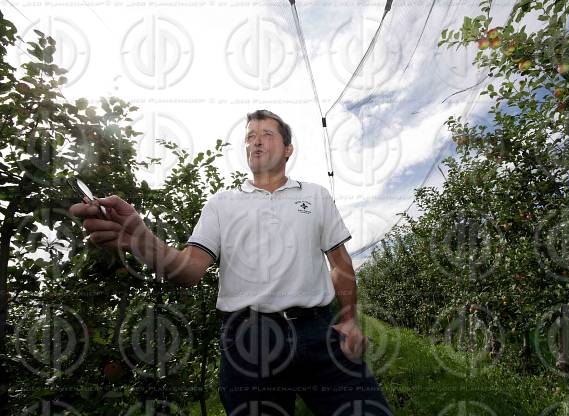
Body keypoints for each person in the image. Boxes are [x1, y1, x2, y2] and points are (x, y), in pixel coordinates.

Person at [69, 110, 393, 415]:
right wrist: (141, 238)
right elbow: (190, 270)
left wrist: (349, 319)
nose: (256, 141)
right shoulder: (221, 204)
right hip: (249, 341)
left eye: (267, 134)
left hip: (319, 333)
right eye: (250, 136)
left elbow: (339, 264)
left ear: (288, 148)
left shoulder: (316, 196)